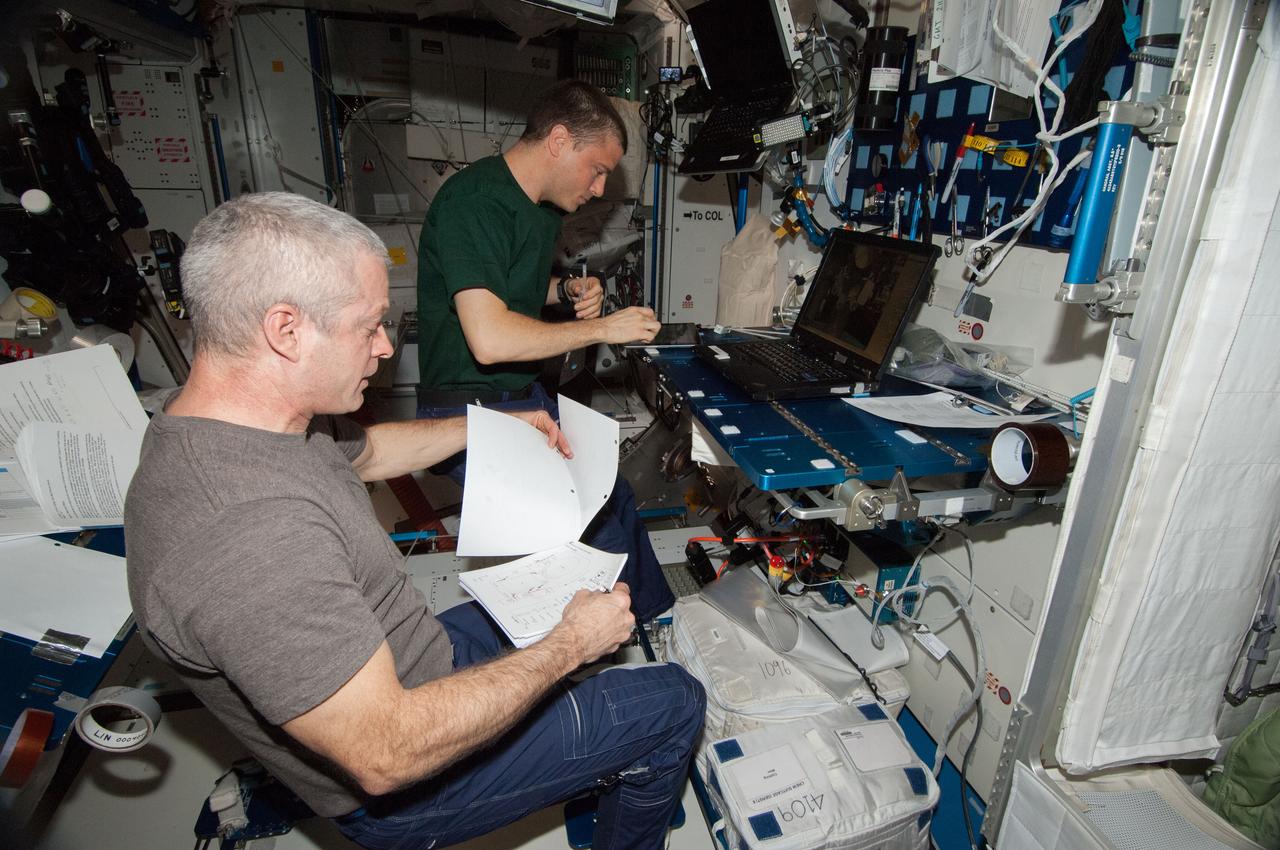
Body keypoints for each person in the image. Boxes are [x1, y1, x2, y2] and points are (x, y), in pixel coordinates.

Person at [124, 192, 705, 850]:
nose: (383, 347)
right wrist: (570, 645)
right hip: (408, 780)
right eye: (369, 326)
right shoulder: (249, 534)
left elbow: (367, 453)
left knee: (562, 599)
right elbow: (386, 753)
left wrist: (498, 424)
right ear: (285, 331)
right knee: (672, 701)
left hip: (409, 656)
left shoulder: (233, 425)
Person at [416, 79, 673, 623]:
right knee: (583, 537)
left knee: (613, 497)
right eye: (596, 170)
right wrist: (601, 328)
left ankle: (651, 624)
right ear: (559, 141)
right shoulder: (475, 203)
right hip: (467, 409)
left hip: (520, 398)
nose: (599, 190)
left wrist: (568, 290)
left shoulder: (536, 209)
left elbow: (510, 291)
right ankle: (587, 643)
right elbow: (490, 339)